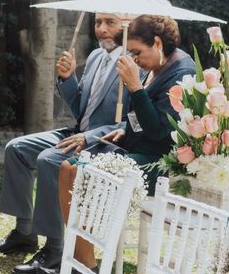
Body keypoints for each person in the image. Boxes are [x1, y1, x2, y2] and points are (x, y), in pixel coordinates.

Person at [0, 13, 129, 274]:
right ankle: (24, 233)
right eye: (97, 23)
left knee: (49, 160)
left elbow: (127, 124)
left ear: (126, 25)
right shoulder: (95, 56)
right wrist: (68, 78)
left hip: (102, 143)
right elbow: (79, 108)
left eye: (110, 23)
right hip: (76, 132)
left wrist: (90, 137)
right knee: (16, 149)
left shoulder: (133, 64)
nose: (102, 29)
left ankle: (55, 247)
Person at [58, 15, 196, 272]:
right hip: (133, 148)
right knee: (67, 167)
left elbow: (159, 131)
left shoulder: (182, 72)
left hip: (158, 162)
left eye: (137, 52)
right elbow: (141, 117)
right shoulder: (154, 67)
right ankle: (80, 257)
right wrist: (123, 128)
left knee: (79, 172)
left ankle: (86, 262)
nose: (134, 59)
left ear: (157, 42)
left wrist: (134, 86)